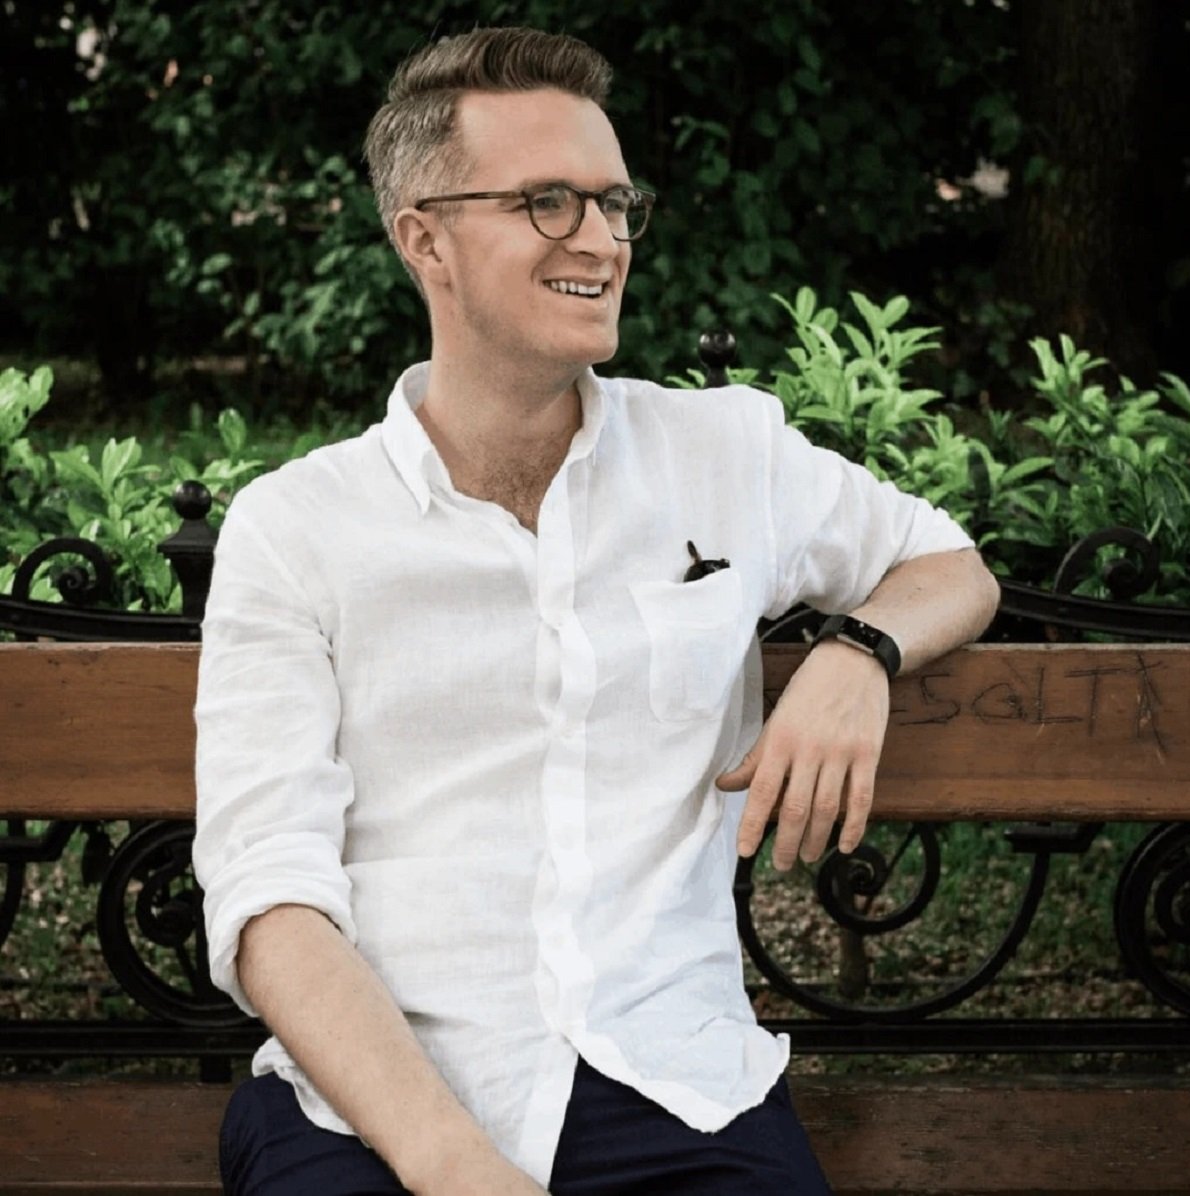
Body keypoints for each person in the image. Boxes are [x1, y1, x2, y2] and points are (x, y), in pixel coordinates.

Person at [192, 25, 999, 1196]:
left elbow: (950, 564)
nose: (603, 239)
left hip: (674, 1080)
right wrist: (456, 1164)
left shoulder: (723, 452)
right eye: (549, 202)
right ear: (426, 238)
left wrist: (858, 650)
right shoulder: (296, 529)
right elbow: (269, 897)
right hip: (372, 1102)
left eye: (616, 203)